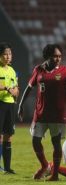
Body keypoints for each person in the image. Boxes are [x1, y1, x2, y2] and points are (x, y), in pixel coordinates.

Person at [18, 44, 66, 181]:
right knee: (35, 140)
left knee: (56, 143)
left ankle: (54, 174)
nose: (58, 59)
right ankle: (44, 166)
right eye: (55, 56)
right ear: (47, 56)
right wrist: (20, 105)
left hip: (57, 115)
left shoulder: (64, 70)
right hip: (40, 114)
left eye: (60, 56)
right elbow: (29, 87)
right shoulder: (38, 70)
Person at [0, 42, 19, 174]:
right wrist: (7, 88)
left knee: (8, 136)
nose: (8, 56)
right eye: (5, 54)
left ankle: (7, 168)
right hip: (0, 103)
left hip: (10, 104)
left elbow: (16, 87)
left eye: (9, 54)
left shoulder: (12, 70)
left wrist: (15, 92)